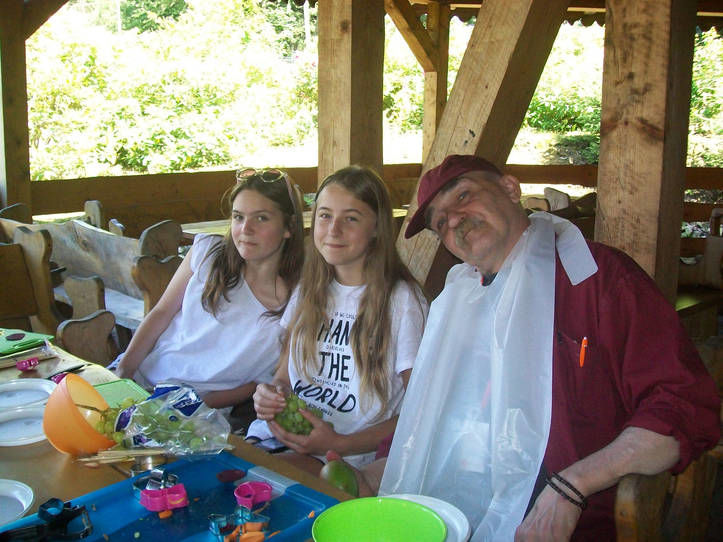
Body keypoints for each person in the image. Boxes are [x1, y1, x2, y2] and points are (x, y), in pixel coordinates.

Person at [337, 155, 720, 541]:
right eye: (439, 223)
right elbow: (425, 415)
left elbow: (684, 405)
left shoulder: (600, 280)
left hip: (574, 519)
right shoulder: (457, 302)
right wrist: (372, 475)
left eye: (464, 196)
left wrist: (574, 485)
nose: (453, 220)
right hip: (463, 509)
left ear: (510, 188)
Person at [250, 165, 428, 474]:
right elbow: (284, 377)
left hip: (343, 458)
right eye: (325, 215)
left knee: (253, 481)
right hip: (276, 437)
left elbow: (421, 411)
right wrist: (271, 395)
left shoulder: (402, 301)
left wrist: (340, 443)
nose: (333, 230)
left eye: (351, 218)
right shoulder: (309, 288)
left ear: (377, 228)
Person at [114, 168, 304, 413]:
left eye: (261, 218)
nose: (245, 229)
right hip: (141, 377)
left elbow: (258, 382)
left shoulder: (297, 299)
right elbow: (161, 313)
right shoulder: (208, 254)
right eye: (238, 217)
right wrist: (124, 372)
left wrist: (188, 406)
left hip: (198, 412)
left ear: (289, 226)